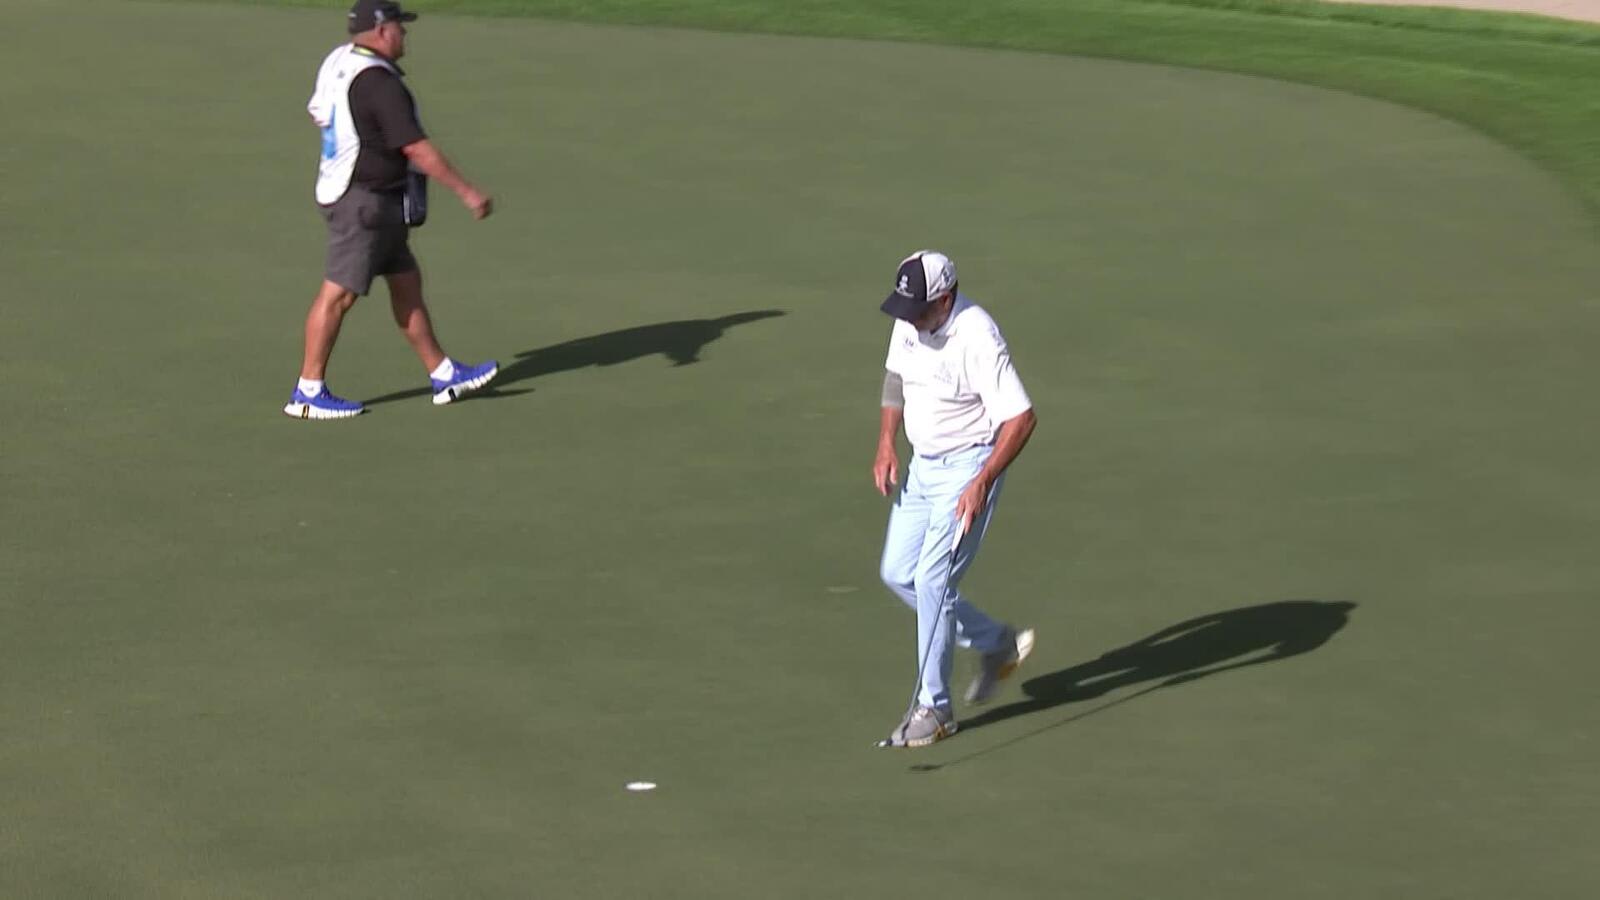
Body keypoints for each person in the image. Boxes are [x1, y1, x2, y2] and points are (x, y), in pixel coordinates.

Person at [284, 0, 499, 420]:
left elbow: (316, 112)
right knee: (338, 294)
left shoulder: (338, 60)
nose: (406, 34)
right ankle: (307, 391)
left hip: (368, 198)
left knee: (405, 282)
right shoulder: (380, 84)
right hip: (362, 202)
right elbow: (415, 147)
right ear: (383, 32)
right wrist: (467, 191)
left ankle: (443, 373)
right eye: (401, 27)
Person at [873, 250, 1039, 747]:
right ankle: (997, 643)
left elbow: (1021, 417)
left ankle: (934, 709)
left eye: (920, 309)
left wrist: (983, 480)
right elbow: (895, 377)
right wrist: (886, 440)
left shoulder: (977, 336)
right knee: (898, 574)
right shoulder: (909, 319)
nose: (910, 320)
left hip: (969, 466)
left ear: (945, 299)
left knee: (931, 580)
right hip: (923, 466)